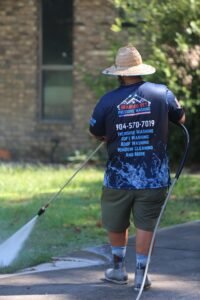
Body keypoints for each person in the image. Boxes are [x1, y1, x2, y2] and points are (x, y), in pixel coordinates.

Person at [89, 45, 185, 291]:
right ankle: (141, 276)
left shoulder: (108, 100)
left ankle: (118, 270)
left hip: (118, 177)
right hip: (153, 177)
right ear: (140, 70)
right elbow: (181, 118)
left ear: (119, 73)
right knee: (146, 223)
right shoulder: (162, 93)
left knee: (116, 221)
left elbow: (96, 131)